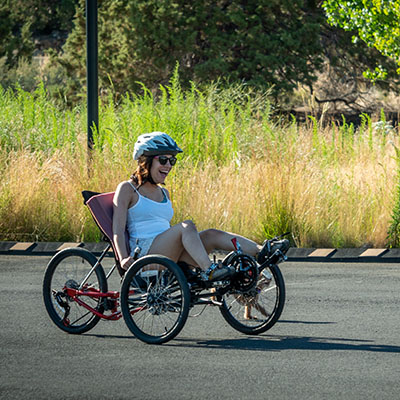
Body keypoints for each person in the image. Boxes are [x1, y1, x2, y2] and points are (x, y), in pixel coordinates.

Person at [112, 131, 289, 281]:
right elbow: (118, 231)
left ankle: (263, 251)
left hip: (169, 253)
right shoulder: (127, 189)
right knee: (186, 226)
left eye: (172, 161)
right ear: (145, 161)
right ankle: (210, 270)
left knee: (211, 234)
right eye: (163, 160)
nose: (168, 166)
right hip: (144, 257)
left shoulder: (164, 193)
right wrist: (122, 258)